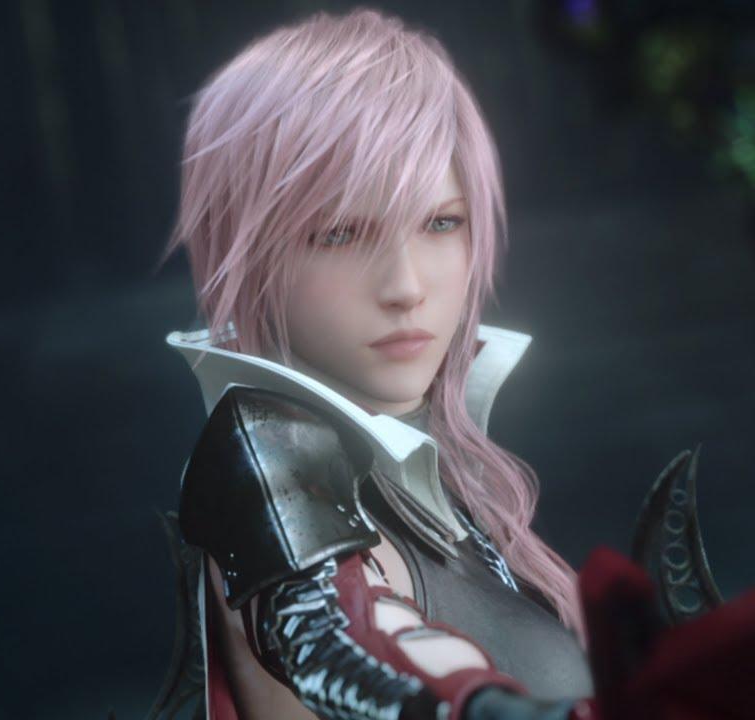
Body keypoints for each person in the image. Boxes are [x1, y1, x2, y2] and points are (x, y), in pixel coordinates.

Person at [156, 8, 597, 719]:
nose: (406, 287)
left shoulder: (426, 473)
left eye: (441, 223)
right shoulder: (263, 462)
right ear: (251, 247)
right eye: (339, 233)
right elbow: (346, 638)